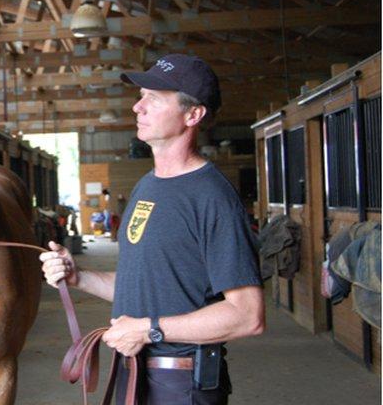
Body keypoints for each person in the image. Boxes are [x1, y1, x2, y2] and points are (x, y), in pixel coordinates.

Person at [40, 54, 264, 404]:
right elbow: (144, 285)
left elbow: (247, 315)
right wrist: (77, 277)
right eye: (141, 96)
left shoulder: (213, 197)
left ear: (193, 115)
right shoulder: (148, 185)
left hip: (180, 384)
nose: (137, 108)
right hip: (133, 371)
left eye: (154, 99)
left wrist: (148, 329)